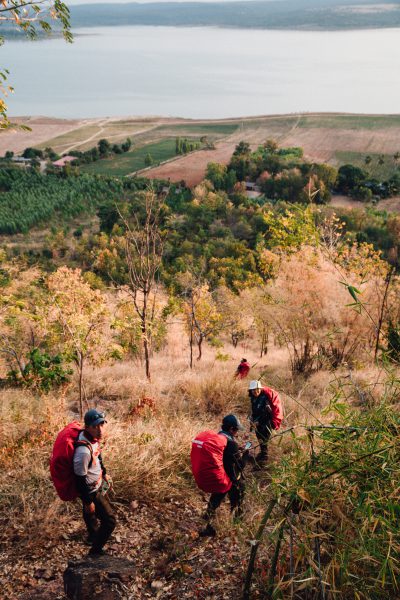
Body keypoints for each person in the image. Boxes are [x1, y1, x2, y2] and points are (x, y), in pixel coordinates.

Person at [191, 414, 249, 537]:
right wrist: (246, 454)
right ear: (231, 429)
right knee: (237, 502)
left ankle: (207, 522)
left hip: (219, 476)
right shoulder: (231, 444)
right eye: (236, 430)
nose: (237, 433)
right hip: (231, 479)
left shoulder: (218, 438)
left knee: (214, 501)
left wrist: (237, 449)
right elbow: (240, 466)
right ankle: (236, 526)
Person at [73, 409, 116, 555]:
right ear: (87, 427)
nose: (100, 430)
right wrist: (87, 501)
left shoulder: (92, 439)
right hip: (90, 490)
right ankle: (95, 550)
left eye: (102, 424)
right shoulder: (83, 452)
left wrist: (103, 472)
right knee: (110, 521)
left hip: (95, 485)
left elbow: (98, 457)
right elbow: (79, 479)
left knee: (90, 512)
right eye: (95, 426)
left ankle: (93, 535)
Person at [248, 380, 283, 467]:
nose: (256, 392)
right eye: (253, 390)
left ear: (260, 389)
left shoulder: (265, 399)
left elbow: (267, 414)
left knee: (264, 439)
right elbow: (254, 410)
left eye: (257, 390)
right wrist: (252, 419)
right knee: (259, 437)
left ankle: (264, 460)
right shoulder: (253, 398)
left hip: (266, 422)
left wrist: (258, 422)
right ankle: (263, 453)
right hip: (258, 422)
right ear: (250, 391)